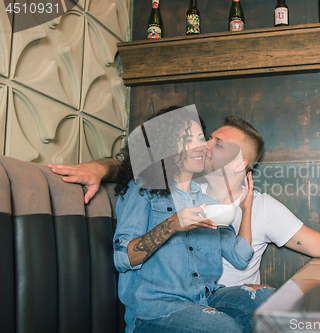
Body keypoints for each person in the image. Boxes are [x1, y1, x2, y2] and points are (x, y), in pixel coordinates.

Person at [47, 114, 320, 289]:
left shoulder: (262, 206)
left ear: (240, 162)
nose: (204, 145)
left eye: (217, 143)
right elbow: (134, 168)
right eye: (205, 138)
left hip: (235, 304)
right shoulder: (178, 181)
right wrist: (98, 167)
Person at [110, 106, 270, 333]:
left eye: (200, 138)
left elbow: (240, 256)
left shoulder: (207, 201)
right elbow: (122, 258)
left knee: (269, 302)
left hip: (204, 301)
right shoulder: (143, 189)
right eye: (187, 140)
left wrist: (247, 208)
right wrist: (172, 225)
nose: (200, 146)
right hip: (155, 311)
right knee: (223, 327)